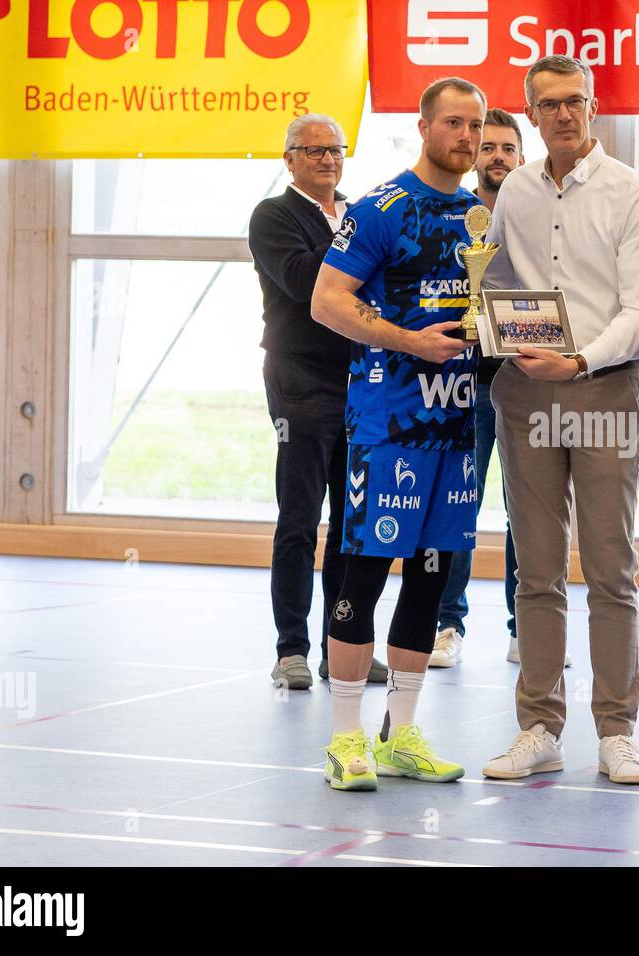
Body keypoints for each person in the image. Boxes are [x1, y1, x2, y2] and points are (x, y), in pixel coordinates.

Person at [479, 55, 639, 784]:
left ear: (593, 108)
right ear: (530, 115)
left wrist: (579, 362)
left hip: (604, 389)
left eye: (576, 102)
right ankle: (539, 727)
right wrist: (507, 340)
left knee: (612, 568)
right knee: (536, 570)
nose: (564, 114)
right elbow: (492, 282)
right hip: (523, 392)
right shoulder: (515, 191)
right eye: (550, 104)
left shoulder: (632, 194)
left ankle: (617, 731)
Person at [308, 77, 487, 791]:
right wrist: (409, 341)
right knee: (364, 572)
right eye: (453, 123)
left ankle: (401, 734)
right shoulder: (382, 208)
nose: (466, 137)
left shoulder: (478, 215)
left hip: (458, 422)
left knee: (434, 577)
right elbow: (327, 302)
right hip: (387, 425)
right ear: (422, 126)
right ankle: (345, 739)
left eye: (476, 125)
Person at [430, 109, 573, 668]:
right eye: (486, 147)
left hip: (523, 380)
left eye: (507, 148)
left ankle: (526, 627)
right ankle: (447, 624)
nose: (496, 157)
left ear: (522, 154)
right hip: (460, 382)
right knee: (457, 504)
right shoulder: (450, 217)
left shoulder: (540, 216)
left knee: (528, 511)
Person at [248, 113, 385, 691]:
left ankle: (341, 646)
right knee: (300, 518)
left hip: (358, 380)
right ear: (290, 159)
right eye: (314, 150)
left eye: (336, 150)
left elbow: (379, 281)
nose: (329, 159)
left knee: (352, 523)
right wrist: (362, 264)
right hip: (300, 382)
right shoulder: (275, 216)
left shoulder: (354, 216)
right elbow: (311, 283)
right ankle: (290, 650)